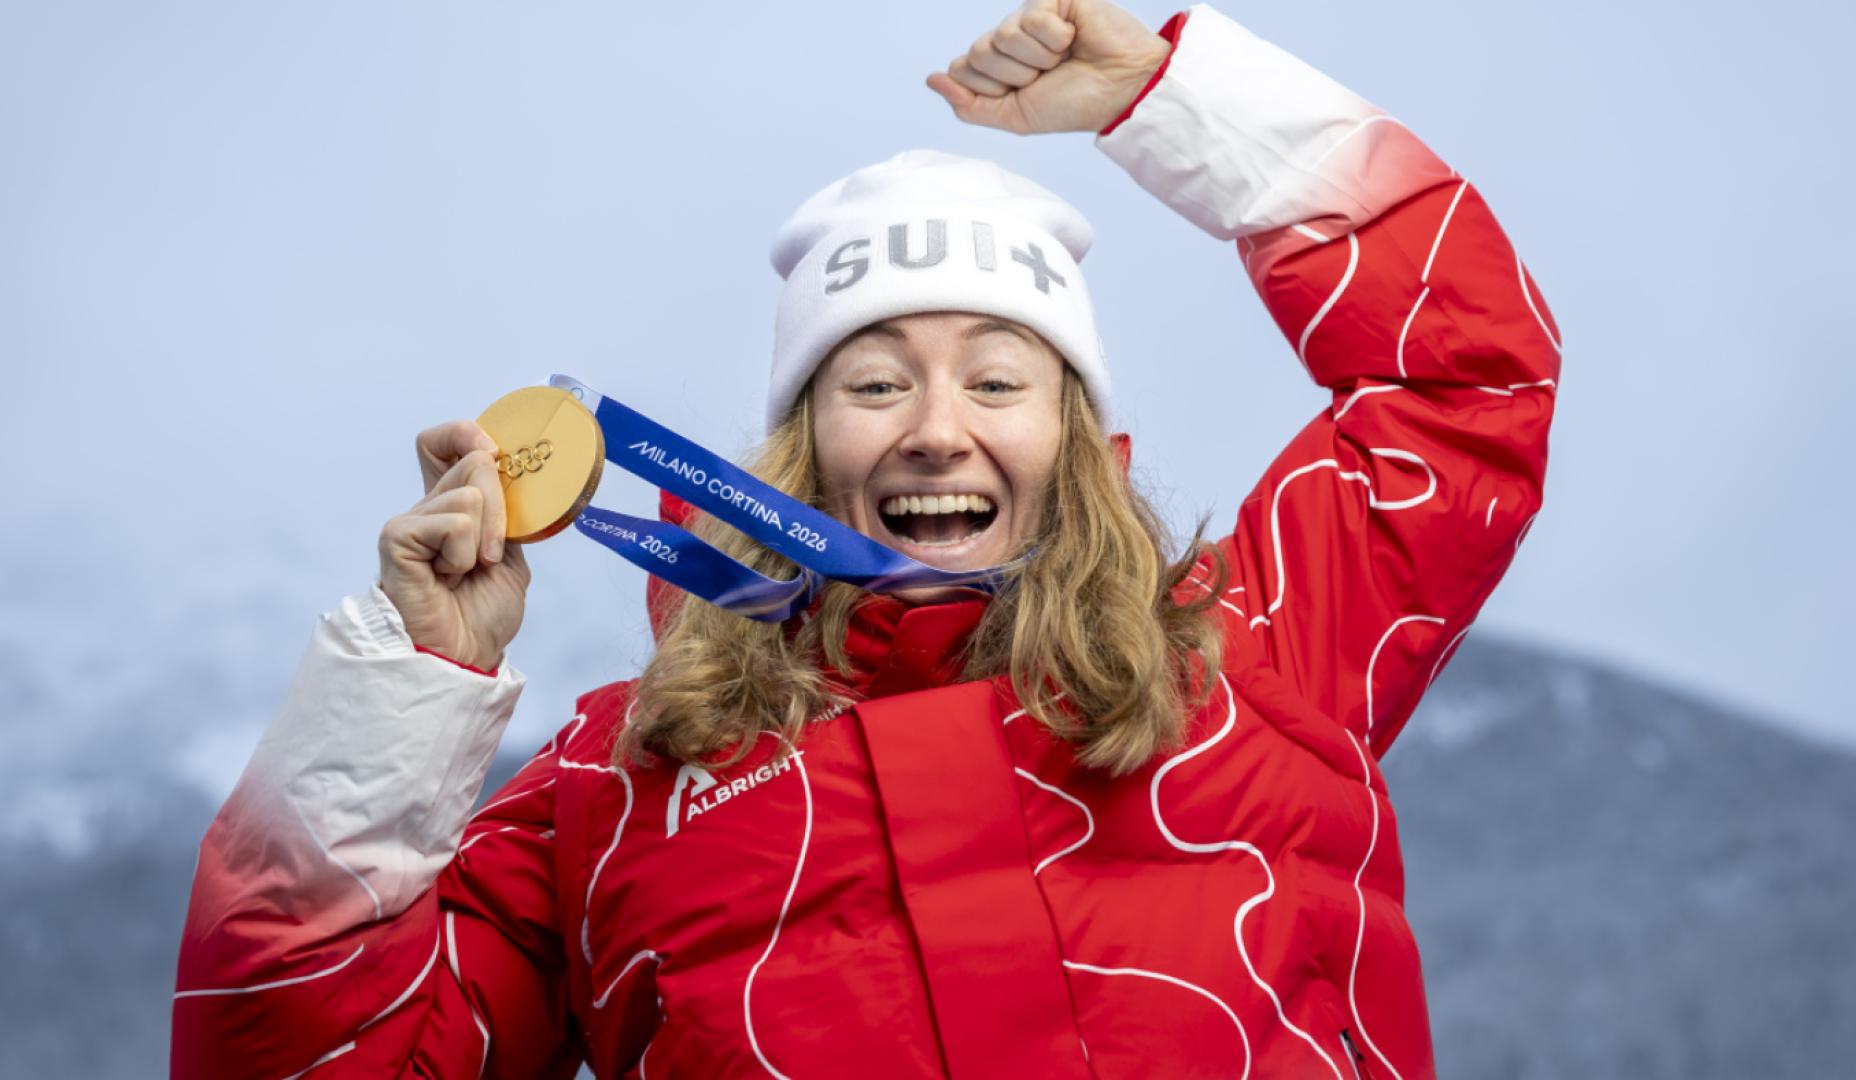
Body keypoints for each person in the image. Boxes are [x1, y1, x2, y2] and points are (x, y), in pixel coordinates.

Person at [171, 1, 1561, 1076]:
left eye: (1000, 381)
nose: (936, 429)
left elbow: (1468, 375)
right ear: (800, 449)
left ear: (1071, 442)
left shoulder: (1254, 646)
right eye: (877, 381)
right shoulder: (623, 780)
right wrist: (408, 683)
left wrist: (1170, 100)